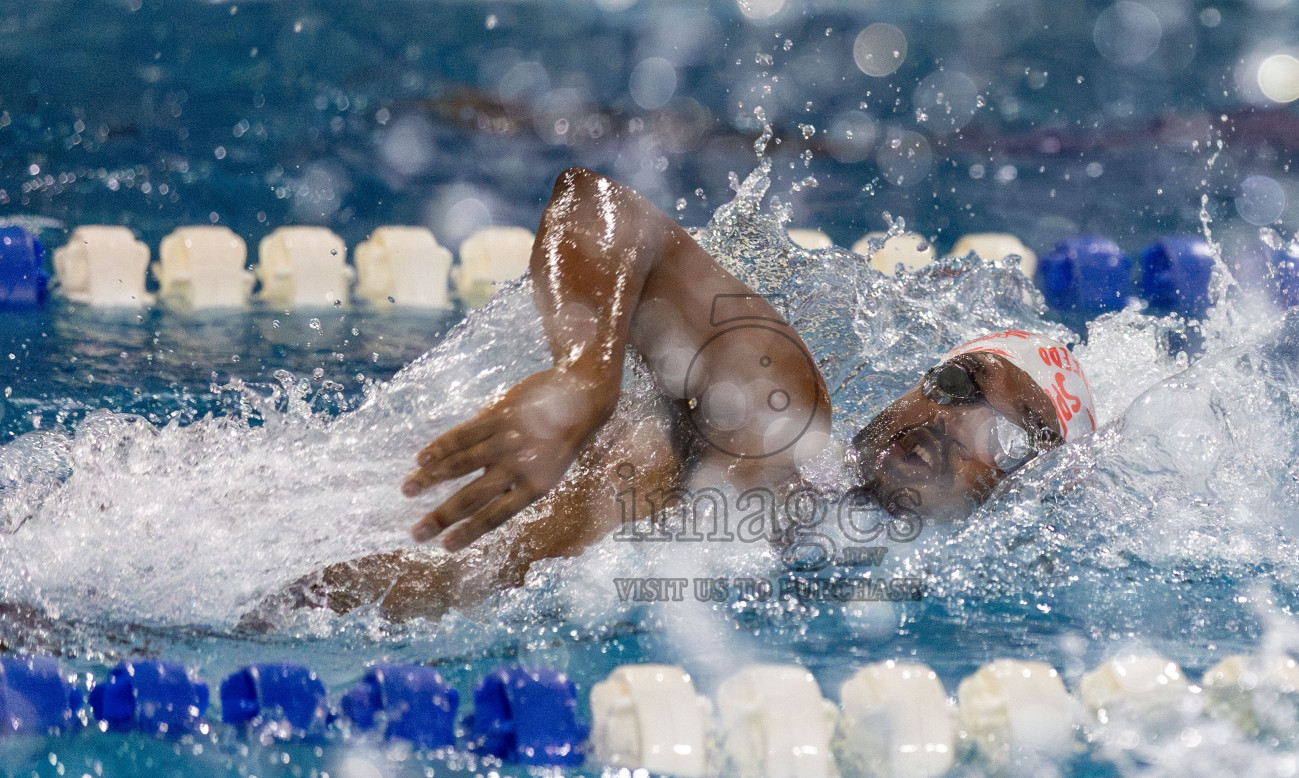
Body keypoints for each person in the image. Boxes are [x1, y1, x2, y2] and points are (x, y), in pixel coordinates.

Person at [243, 168, 1097, 626]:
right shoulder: (779, 423)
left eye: (1007, 435)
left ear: (1026, 494)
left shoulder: (845, 578)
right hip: (277, 598)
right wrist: (584, 371)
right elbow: (598, 207)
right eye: (954, 384)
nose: (952, 421)